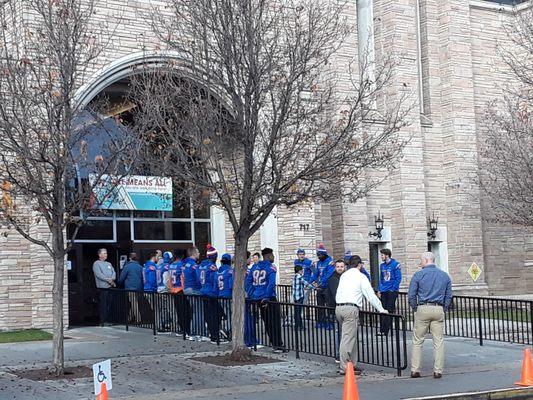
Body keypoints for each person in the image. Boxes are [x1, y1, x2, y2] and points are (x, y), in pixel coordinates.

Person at [335, 256, 388, 375]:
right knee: (348, 338)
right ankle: (344, 367)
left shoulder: (344, 275)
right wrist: (381, 309)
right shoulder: (361, 277)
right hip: (351, 308)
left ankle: (352, 364)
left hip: (339, 307)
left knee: (350, 336)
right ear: (360, 264)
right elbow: (370, 295)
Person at [408, 252, 452, 379]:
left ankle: (415, 370)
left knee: (417, 340)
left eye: (421, 260)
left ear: (427, 260)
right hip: (438, 308)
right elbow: (448, 295)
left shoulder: (418, 275)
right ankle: (438, 371)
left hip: (423, 307)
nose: (420, 263)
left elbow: (411, 294)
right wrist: (444, 308)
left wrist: (415, 308)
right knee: (438, 341)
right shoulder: (444, 276)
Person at [245, 247, 286, 353]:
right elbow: (271, 284)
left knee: (267, 322)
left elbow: (248, 282)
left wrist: (253, 293)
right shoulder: (270, 267)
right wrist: (266, 297)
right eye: (272, 255)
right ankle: (278, 345)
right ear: (268, 256)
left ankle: (274, 344)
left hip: (257, 298)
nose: (273, 257)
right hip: (269, 298)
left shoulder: (254, 267)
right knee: (275, 322)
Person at [198, 244, 222, 343]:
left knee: (208, 314)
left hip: (203, 291)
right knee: (215, 315)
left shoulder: (201, 266)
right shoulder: (212, 267)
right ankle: (215, 336)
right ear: (214, 257)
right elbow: (215, 280)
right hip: (211, 293)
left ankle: (212, 333)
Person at [310, 243, 335, 329]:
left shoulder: (330, 262)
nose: (319, 257)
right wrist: (310, 281)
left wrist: (320, 282)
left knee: (329, 306)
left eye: (320, 255)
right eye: (318, 255)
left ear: (324, 254)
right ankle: (321, 321)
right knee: (320, 306)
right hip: (320, 287)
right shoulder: (319, 263)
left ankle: (330, 323)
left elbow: (328, 274)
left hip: (327, 287)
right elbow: (316, 273)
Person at [378, 248, 402, 336]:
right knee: (383, 310)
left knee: (389, 310)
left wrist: (393, 289)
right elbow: (381, 278)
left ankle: (387, 330)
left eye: (382, 255)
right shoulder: (382, 265)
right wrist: (380, 289)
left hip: (391, 291)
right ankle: (382, 329)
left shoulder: (395, 264)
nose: (381, 257)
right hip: (384, 290)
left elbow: (398, 278)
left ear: (387, 255)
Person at [182, 246, 204, 340]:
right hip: (194, 289)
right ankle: (197, 333)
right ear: (194, 253)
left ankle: (192, 332)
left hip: (186, 289)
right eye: (198, 252)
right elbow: (198, 279)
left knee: (194, 311)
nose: (199, 254)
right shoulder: (194, 265)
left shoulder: (184, 264)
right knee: (199, 312)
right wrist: (201, 287)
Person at [168, 250, 191, 339]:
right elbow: (183, 278)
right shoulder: (181, 265)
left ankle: (181, 328)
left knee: (179, 310)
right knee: (185, 311)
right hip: (180, 290)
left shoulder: (171, 266)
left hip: (174, 290)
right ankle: (186, 329)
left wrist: (171, 288)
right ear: (181, 256)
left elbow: (169, 278)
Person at [117, 253, 143, 324]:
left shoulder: (127, 267)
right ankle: (129, 318)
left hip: (130, 288)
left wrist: (117, 282)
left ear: (130, 258)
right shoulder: (140, 267)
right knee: (134, 303)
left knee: (133, 303)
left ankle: (138, 319)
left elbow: (121, 279)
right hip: (139, 288)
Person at [93, 248, 116, 327]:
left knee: (109, 304)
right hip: (102, 288)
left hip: (110, 287)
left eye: (106, 253)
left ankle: (109, 319)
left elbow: (113, 272)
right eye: (104, 253)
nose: (106, 255)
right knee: (103, 305)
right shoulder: (96, 264)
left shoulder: (109, 264)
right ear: (100, 255)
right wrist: (108, 280)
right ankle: (103, 320)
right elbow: (99, 274)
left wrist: (112, 279)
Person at [216, 253, 234, 340]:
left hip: (220, 295)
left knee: (228, 314)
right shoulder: (230, 271)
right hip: (228, 296)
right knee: (232, 314)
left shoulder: (218, 271)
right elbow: (231, 285)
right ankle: (228, 330)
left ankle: (226, 330)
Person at [155, 251, 173, 332]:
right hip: (165, 290)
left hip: (159, 289)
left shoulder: (158, 266)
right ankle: (166, 324)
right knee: (168, 308)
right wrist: (170, 289)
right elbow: (166, 279)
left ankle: (162, 324)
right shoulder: (167, 266)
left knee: (162, 308)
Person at [244, 251, 258, 348]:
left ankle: (248, 339)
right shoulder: (248, 271)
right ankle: (250, 340)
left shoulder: (235, 271)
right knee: (249, 320)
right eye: (249, 258)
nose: (251, 260)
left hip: (243, 298)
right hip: (248, 297)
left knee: (246, 319)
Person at [292, 264, 312, 330]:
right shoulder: (300, 277)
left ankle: (297, 326)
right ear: (300, 271)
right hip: (300, 297)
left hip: (295, 296)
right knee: (299, 312)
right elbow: (306, 283)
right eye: (302, 271)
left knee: (296, 312)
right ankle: (299, 326)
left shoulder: (294, 277)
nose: (302, 272)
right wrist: (314, 287)